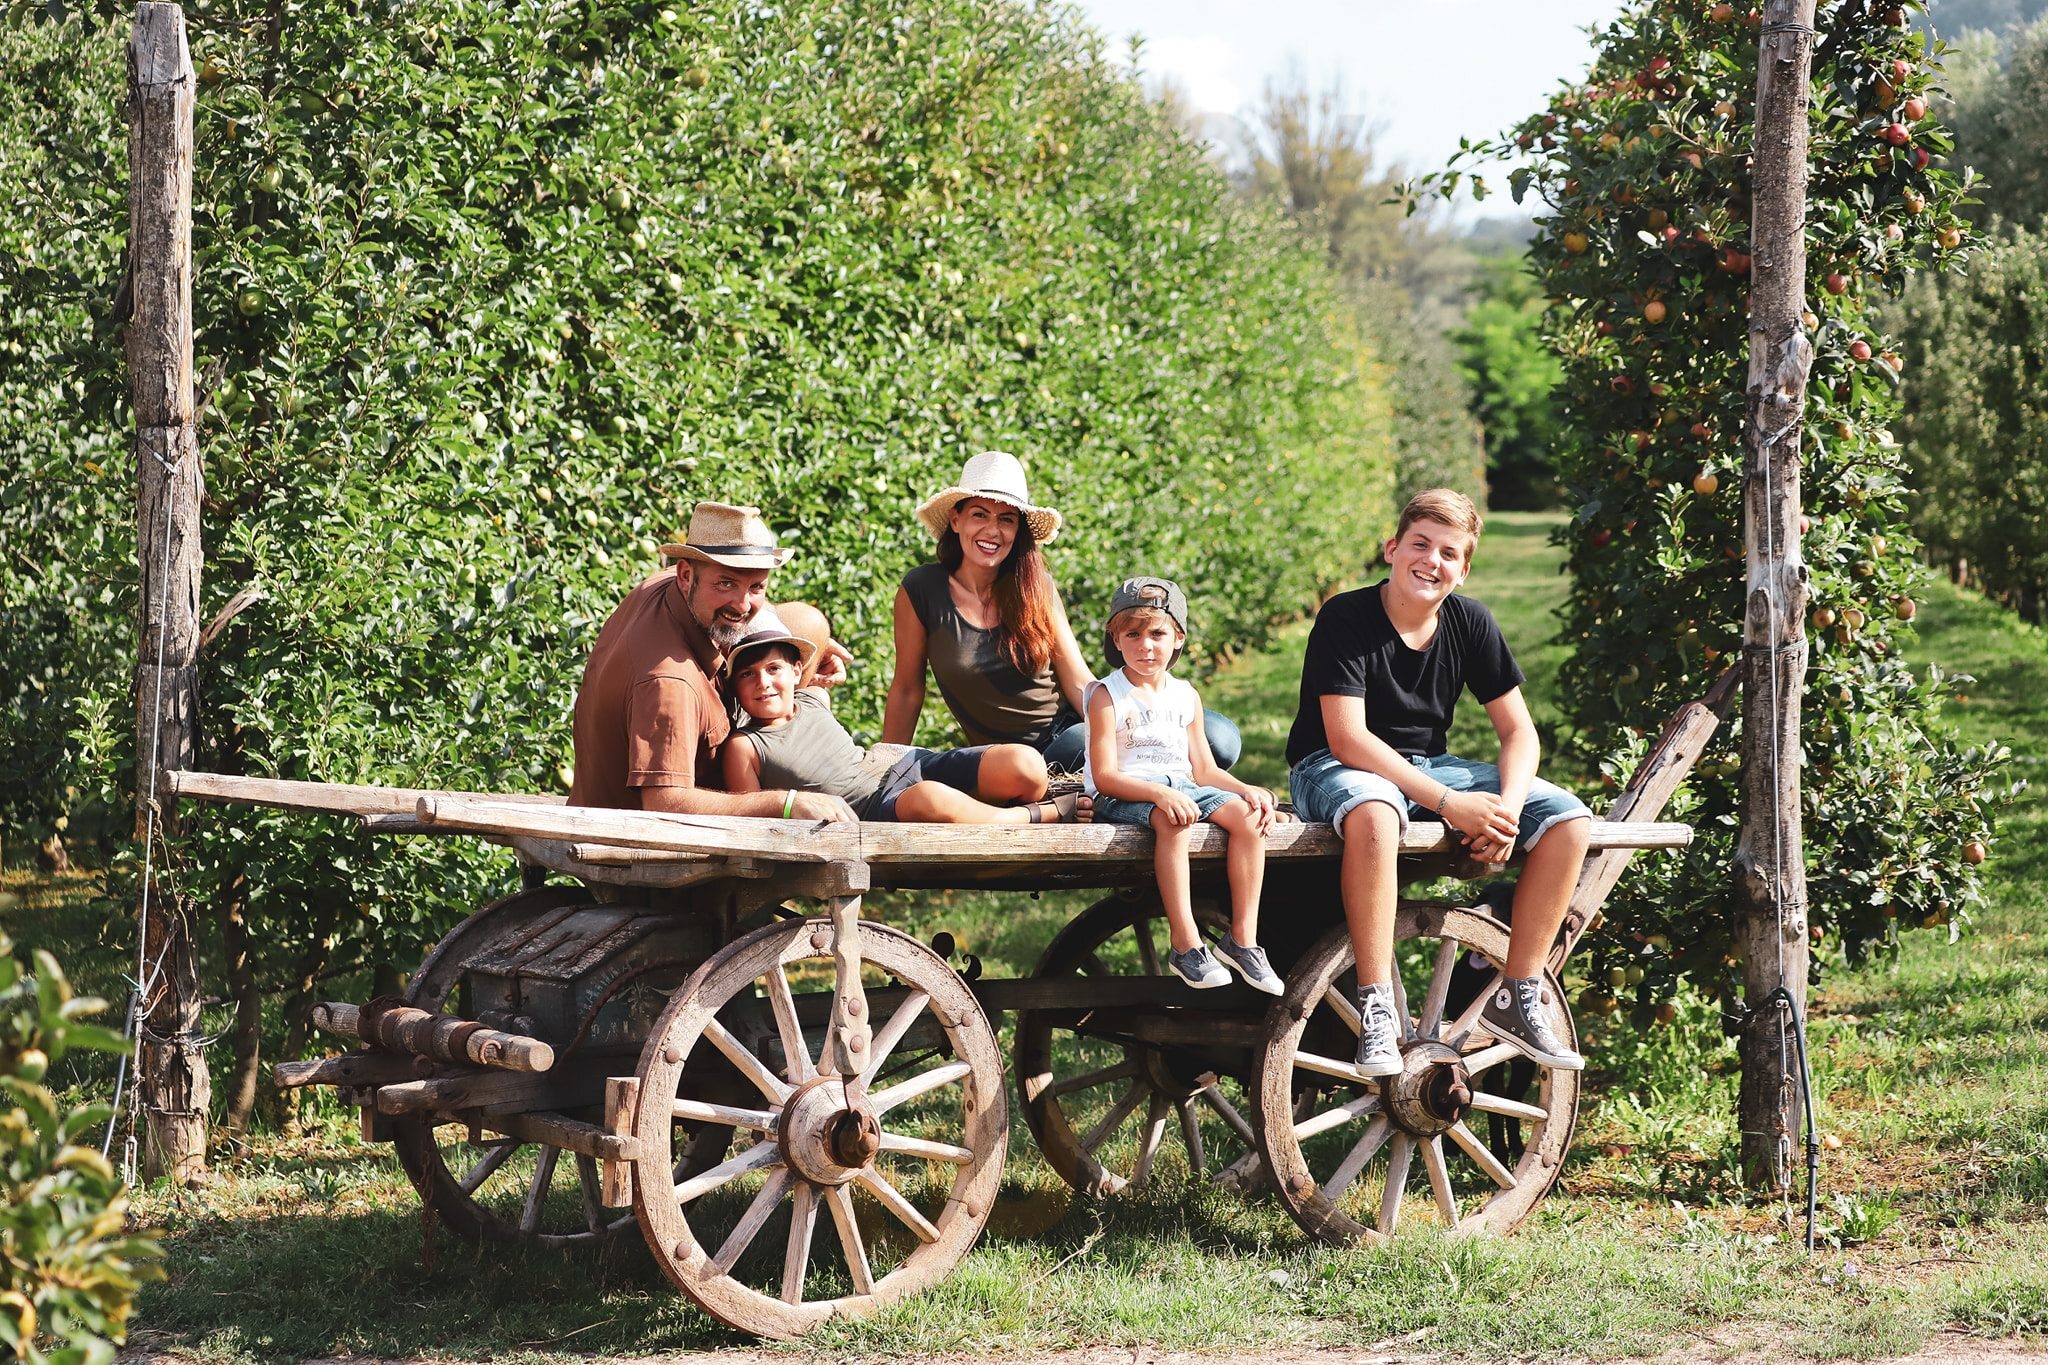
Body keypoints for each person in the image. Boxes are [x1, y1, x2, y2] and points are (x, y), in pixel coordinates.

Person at [1284, 488, 1592, 1077]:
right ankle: (1378, 1006)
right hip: (1332, 764)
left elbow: (1520, 734)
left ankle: (1519, 992)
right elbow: (1348, 739)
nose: (1433, 561)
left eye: (1450, 553)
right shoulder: (1345, 617)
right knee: (1374, 812)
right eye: (1420, 545)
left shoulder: (1469, 621)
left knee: (1568, 822)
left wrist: (1501, 810)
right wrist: (1452, 805)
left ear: (1465, 567)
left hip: (1428, 767)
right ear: (1392, 549)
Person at [883, 450, 1242, 775]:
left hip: (1070, 732)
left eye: (1007, 520)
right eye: (980, 515)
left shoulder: (1035, 585)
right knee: (1073, 752)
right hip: (1015, 758)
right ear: (956, 521)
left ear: (1018, 530)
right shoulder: (922, 590)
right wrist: (887, 771)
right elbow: (907, 688)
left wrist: (1138, 720)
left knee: (1219, 738)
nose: (993, 530)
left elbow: (1076, 680)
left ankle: (1163, 776)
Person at [568, 501, 858, 819]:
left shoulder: (674, 585)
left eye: (756, 586)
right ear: (685, 575)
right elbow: (663, 805)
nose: (742, 605)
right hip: (636, 843)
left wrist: (806, 646)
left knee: (806, 621)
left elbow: (749, 604)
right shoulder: (670, 682)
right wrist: (785, 803)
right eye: (726, 584)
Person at [1085, 578, 1284, 995]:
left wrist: (1246, 788)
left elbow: (1205, 769)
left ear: (1178, 637)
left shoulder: (1184, 695)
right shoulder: (1107, 695)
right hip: (1127, 790)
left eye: (1157, 634)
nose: (1146, 646)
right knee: (1173, 820)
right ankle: (1185, 942)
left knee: (1250, 819)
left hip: (1185, 785)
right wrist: (1159, 793)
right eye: (1133, 634)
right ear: (1115, 638)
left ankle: (1243, 940)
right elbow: (1104, 775)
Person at [720, 610, 1088, 824]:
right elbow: (752, 814)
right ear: (734, 686)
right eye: (747, 675)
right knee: (929, 797)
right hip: (872, 809)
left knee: (1025, 764)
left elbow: (810, 622)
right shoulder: (746, 745)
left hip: (903, 764)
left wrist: (826, 653)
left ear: (796, 670)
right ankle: (1033, 817)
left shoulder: (811, 698)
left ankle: (979, 812)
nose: (764, 683)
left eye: (773, 669)